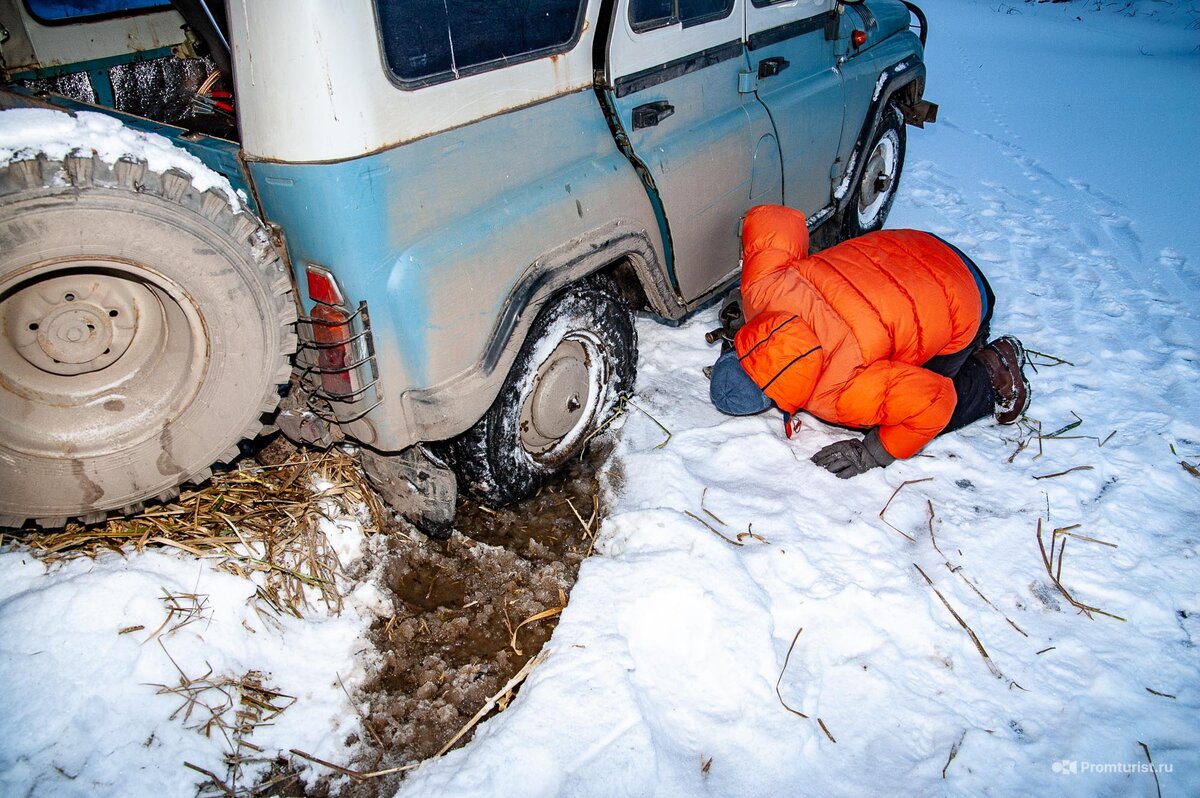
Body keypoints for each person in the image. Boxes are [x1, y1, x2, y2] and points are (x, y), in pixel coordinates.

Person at [709, 204, 1030, 478]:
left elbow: (935, 402)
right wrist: (752, 294)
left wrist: (873, 452)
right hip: (921, 246)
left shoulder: (836, 395)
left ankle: (992, 370)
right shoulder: (763, 289)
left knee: (895, 417)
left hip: (968, 297)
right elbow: (776, 219)